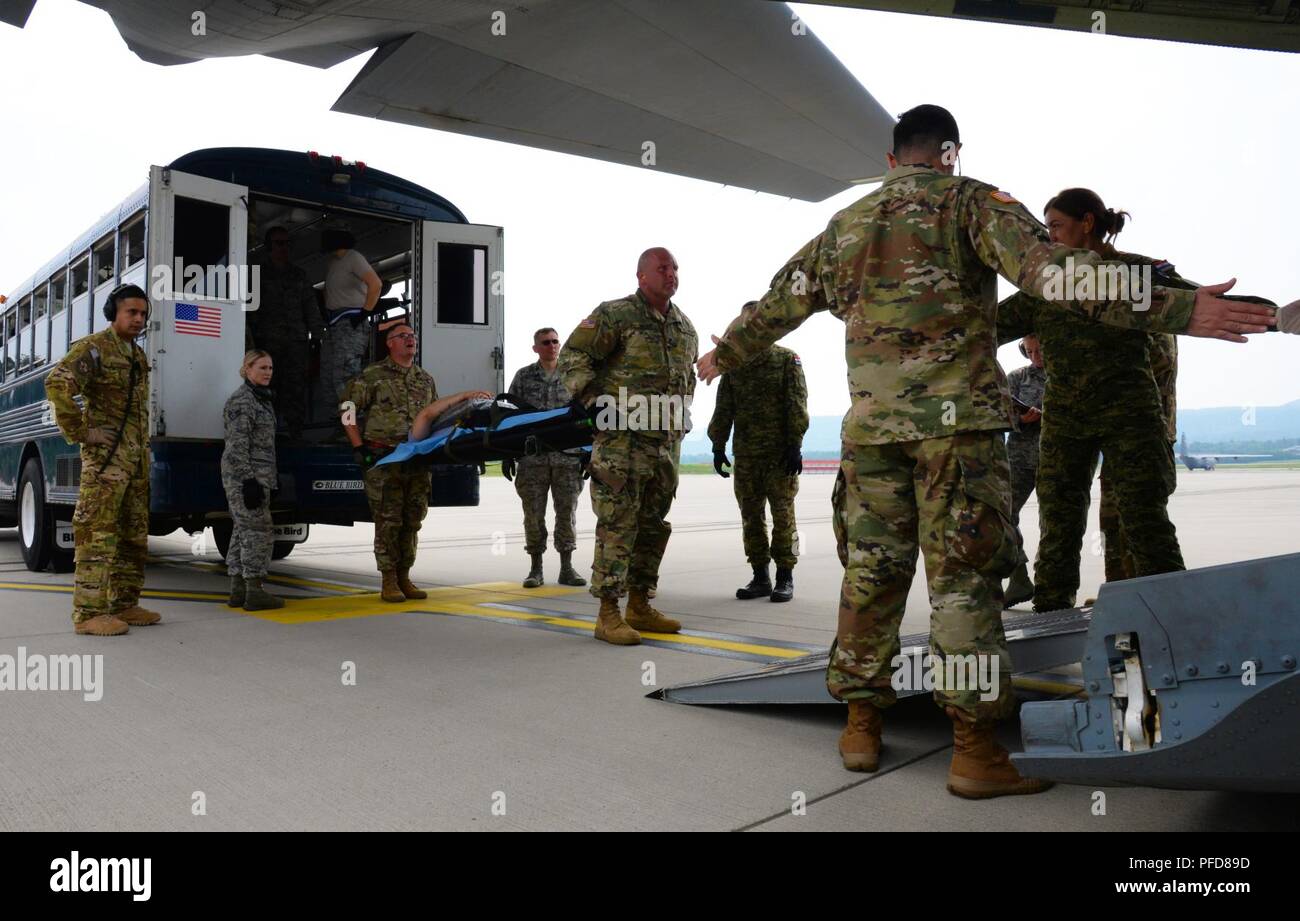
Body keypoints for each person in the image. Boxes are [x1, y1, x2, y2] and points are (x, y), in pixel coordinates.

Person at [697, 104, 1276, 798]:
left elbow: (774, 305)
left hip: (872, 435)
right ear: (951, 153)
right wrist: (1180, 307)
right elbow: (1060, 275)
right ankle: (973, 752)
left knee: (871, 580)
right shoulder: (973, 204)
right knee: (963, 587)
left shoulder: (844, 226)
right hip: (957, 435)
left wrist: (717, 358)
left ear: (890, 161)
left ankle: (861, 723)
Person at [996, 189, 1198, 613]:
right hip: (1066, 418)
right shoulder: (1047, 284)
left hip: (1130, 414)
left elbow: (1200, 302)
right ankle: (1052, 611)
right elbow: (986, 325)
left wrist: (1273, 316)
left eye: (1056, 226)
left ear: (1087, 222)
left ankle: (1174, 617)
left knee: (1144, 520)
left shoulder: (1134, 271)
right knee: (1059, 522)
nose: (1049, 237)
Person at [558, 247, 699, 646]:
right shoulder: (615, 314)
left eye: (674, 267)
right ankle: (607, 614)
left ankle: (640, 603)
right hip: (622, 443)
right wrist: (594, 402)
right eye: (662, 268)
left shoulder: (684, 326)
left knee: (654, 526)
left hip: (665, 445)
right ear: (641, 276)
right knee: (618, 525)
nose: (671, 274)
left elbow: (683, 381)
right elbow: (574, 357)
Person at [342, 321, 488, 602]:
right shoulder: (372, 376)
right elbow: (347, 411)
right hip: (385, 460)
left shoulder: (425, 379)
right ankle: (388, 580)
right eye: (403, 336)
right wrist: (359, 447)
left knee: (412, 521)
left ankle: (404, 576)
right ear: (390, 343)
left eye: (413, 336)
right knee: (388, 521)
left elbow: (432, 417)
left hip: (417, 461)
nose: (410, 340)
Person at [45, 283, 161, 636]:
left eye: (143, 314)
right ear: (115, 313)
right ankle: (88, 613)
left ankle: (125, 603)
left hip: (134, 461)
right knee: (97, 533)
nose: (139, 319)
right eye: (132, 312)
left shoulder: (135, 354)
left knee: (133, 534)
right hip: (106, 462)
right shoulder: (94, 348)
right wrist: (82, 432)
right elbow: (57, 384)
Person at [706, 301, 808, 602]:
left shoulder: (787, 359)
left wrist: (795, 445)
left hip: (779, 456)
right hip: (747, 454)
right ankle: (760, 577)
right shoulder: (735, 365)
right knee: (751, 517)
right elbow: (724, 407)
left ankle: (785, 577)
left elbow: (796, 404)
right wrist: (717, 445)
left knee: (783, 516)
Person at [504, 327, 588, 589]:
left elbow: (586, 417)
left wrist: (587, 453)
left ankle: (567, 567)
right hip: (532, 459)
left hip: (567, 458)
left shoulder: (574, 375)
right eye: (545, 342)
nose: (551, 346)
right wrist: (509, 452)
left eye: (554, 341)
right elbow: (510, 417)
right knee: (533, 514)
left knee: (566, 513)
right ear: (536, 348)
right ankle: (535, 569)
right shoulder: (524, 377)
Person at [222, 350, 283, 610]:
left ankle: (238, 590)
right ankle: (254, 591)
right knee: (258, 532)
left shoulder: (260, 399)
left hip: (259, 476)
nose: (268, 372)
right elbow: (238, 445)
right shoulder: (244, 401)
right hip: (245, 477)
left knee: (242, 531)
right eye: (262, 367)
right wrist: (248, 481)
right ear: (247, 369)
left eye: (270, 367)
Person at [248, 226, 321, 439]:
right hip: (267, 343)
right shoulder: (259, 274)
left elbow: (310, 307)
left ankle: (295, 433)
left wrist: (316, 337)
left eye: (288, 243)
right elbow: (250, 310)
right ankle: (266, 433)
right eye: (280, 243)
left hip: (295, 343)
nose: (284, 248)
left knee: (295, 388)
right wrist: (252, 343)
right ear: (269, 246)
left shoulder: (299, 275)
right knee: (267, 387)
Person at [1003, 335, 1046, 607]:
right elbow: (997, 413)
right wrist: (1019, 418)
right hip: (1019, 459)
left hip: (1054, 459)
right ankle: (1019, 577)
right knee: (1004, 516)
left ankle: (1050, 587)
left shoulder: (1068, 375)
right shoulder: (1017, 377)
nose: (1034, 356)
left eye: (1039, 350)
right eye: (1029, 351)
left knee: (1054, 525)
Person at [322, 229, 382, 405]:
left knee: (346, 375)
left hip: (350, 321)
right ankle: (339, 423)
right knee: (328, 375)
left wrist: (364, 312)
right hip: (334, 323)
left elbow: (376, 284)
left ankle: (352, 424)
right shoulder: (333, 262)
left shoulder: (353, 257)